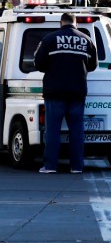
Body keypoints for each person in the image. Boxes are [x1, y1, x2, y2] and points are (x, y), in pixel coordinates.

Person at [34, 13, 97, 174]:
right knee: (76, 130)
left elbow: (39, 64)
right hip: (77, 91)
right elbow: (92, 66)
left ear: (60, 22)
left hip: (54, 91)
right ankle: (76, 166)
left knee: (53, 130)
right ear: (75, 23)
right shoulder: (86, 40)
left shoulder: (49, 39)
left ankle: (50, 166)